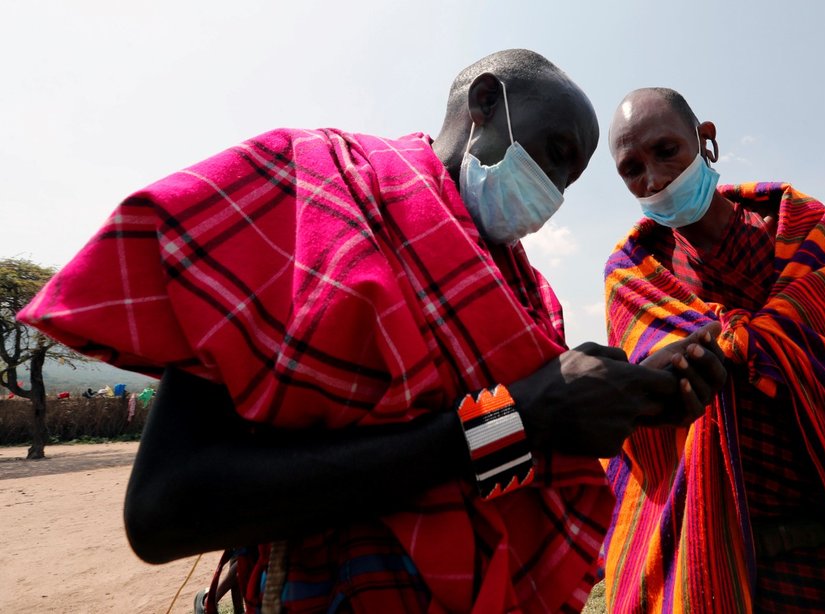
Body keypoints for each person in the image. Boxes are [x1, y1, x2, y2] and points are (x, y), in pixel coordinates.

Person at [18, 52, 726, 613]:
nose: (553, 192)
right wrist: (524, 416)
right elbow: (165, 511)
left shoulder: (526, 294)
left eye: (569, 177)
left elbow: (495, 465)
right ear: (484, 105)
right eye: (552, 151)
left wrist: (622, 398)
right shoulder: (309, 192)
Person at [601, 88, 825, 612]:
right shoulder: (636, 272)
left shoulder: (798, 228)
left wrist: (731, 345)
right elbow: (643, 418)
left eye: (666, 150)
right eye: (632, 169)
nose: (654, 178)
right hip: (710, 555)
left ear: (705, 140)